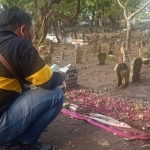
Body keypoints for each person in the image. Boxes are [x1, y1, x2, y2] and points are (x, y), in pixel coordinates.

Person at [0, 7, 66, 150]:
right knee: (56, 94)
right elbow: (48, 81)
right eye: (32, 31)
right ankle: (25, 143)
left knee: (24, 88)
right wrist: (61, 75)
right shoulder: (18, 44)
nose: (33, 36)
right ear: (23, 30)